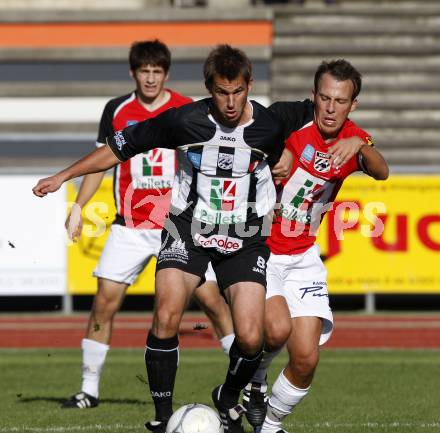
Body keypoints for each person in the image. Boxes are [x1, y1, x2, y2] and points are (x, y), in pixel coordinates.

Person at [33, 44, 291, 433]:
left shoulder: (274, 122)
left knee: (252, 336)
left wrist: (352, 144)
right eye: (222, 92)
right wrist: (62, 178)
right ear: (209, 88)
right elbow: (114, 150)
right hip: (183, 226)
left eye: (238, 91)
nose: (231, 101)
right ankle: (161, 416)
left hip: (244, 232)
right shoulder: (183, 119)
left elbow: (321, 121)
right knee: (166, 312)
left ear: (249, 86)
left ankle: (229, 395)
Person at [61, 40, 234, 410]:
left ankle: (246, 383)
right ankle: (88, 390)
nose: (151, 78)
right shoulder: (117, 110)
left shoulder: (187, 108)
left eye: (157, 71)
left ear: (166, 74)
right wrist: (78, 204)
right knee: (103, 305)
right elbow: (102, 161)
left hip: (178, 225)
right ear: (133, 73)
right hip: (129, 226)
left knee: (213, 301)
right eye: (144, 71)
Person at [243, 59, 389, 433]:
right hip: (261, 249)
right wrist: (278, 154)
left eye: (340, 101)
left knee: (306, 358)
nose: (330, 107)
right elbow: (252, 136)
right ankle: (251, 385)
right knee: (275, 330)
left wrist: (361, 142)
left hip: (304, 255)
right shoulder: (290, 123)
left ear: (352, 105)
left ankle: (270, 425)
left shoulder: (354, 139)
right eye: (324, 98)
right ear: (314, 96)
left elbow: (381, 171)